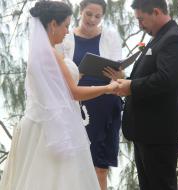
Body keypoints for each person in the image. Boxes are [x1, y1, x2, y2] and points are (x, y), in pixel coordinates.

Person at [0, 1, 119, 190]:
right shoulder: (51, 54)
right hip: (53, 128)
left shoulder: (42, 52)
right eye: (65, 25)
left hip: (39, 124)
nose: (67, 31)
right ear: (53, 24)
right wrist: (108, 88)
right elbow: (74, 92)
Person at [116, 0, 178, 190]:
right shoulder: (158, 37)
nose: (139, 25)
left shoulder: (174, 39)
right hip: (146, 130)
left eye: (141, 19)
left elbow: (166, 79)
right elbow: (149, 74)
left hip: (160, 131)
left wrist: (131, 86)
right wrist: (125, 79)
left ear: (156, 12)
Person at [56, 0, 124, 189]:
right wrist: (78, 73)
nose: (92, 20)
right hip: (77, 106)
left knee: (100, 166)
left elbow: (121, 74)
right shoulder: (65, 37)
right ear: (80, 11)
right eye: (88, 14)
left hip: (106, 104)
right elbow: (58, 74)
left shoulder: (110, 36)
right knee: (74, 164)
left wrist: (119, 75)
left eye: (97, 16)